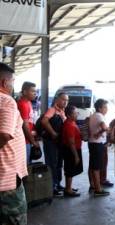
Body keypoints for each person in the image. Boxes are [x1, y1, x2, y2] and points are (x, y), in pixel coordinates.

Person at [0, 63, 28, 225]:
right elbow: (4, 134)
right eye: (13, 82)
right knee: (14, 219)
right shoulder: (6, 101)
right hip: (6, 177)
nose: (13, 86)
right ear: (4, 83)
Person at [41, 92, 68, 197]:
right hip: (51, 142)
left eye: (67, 100)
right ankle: (52, 187)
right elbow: (44, 121)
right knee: (52, 163)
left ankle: (57, 183)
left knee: (58, 164)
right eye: (63, 99)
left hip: (58, 142)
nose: (65, 102)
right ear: (57, 99)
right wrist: (53, 133)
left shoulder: (62, 111)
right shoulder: (52, 110)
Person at [88, 99, 109, 197]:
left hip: (92, 143)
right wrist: (100, 132)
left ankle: (93, 185)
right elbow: (104, 128)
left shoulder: (93, 115)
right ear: (100, 108)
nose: (106, 109)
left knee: (93, 165)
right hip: (97, 144)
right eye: (105, 107)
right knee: (96, 167)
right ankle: (98, 189)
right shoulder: (100, 116)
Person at [61, 105, 83, 197]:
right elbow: (71, 142)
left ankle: (68, 187)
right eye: (75, 113)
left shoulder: (71, 122)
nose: (77, 114)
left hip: (72, 149)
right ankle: (68, 190)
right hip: (71, 150)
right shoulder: (69, 125)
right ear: (69, 115)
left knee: (70, 169)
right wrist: (76, 156)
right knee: (70, 169)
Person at [17, 81, 39, 164]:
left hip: (28, 139)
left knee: (28, 164)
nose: (35, 94)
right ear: (25, 92)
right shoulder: (22, 104)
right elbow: (25, 125)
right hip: (23, 141)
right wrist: (33, 141)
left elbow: (30, 122)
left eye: (35, 92)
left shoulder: (28, 102)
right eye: (33, 91)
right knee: (25, 166)